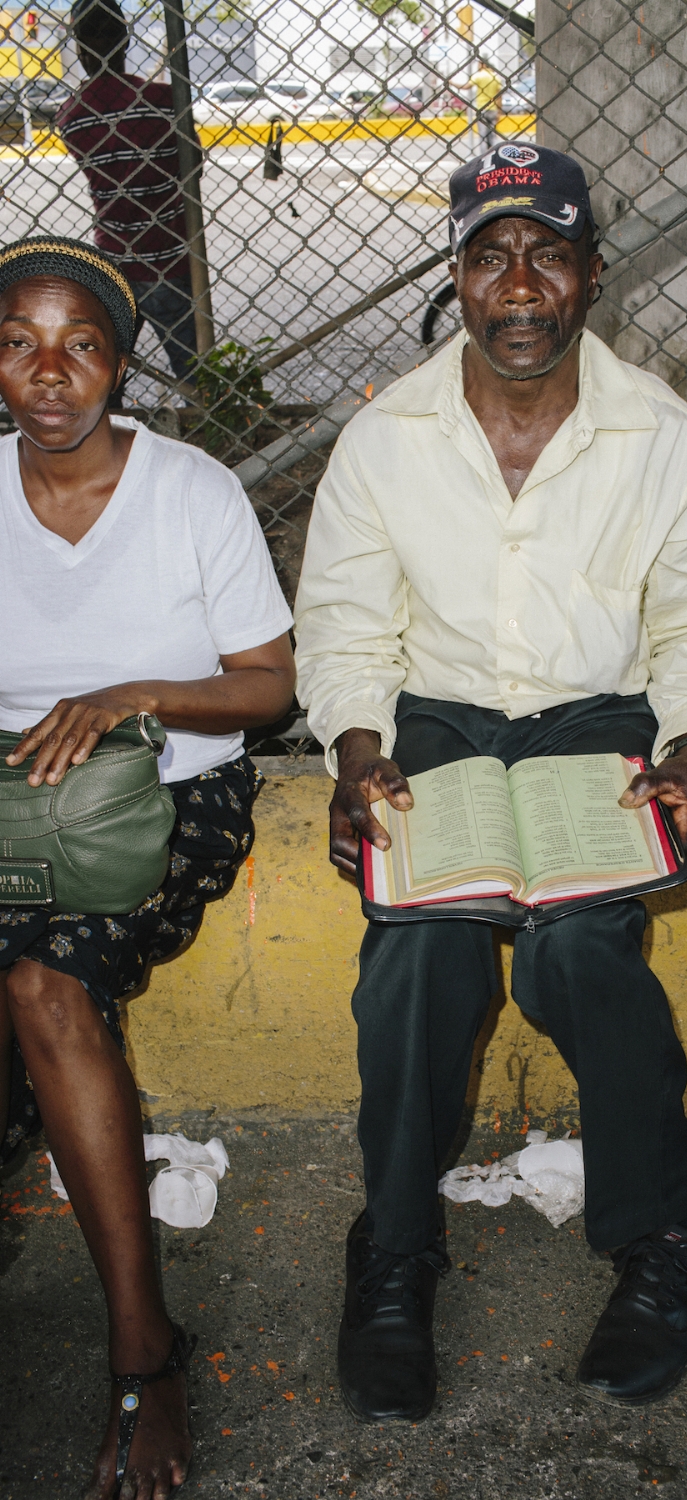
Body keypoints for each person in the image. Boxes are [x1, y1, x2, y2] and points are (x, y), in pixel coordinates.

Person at [294, 144, 687, 1423]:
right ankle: (394, 1248)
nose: (519, 286)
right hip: (437, 727)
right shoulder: (387, 437)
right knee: (419, 956)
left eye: (547, 256)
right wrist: (357, 751)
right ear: (457, 276)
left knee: (579, 950)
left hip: (597, 719)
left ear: (591, 276)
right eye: (491, 257)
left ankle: (668, 1232)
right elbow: (345, 627)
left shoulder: (657, 433)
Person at [0, 235, 294, 1495]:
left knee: (45, 985)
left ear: (120, 364)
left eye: (80, 346)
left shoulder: (190, 492)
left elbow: (268, 686)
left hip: (169, 793)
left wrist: (130, 696)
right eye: (19, 344)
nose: (48, 374)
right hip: (13, 802)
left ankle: (145, 1354)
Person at [57, 0, 197, 395]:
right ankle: (204, 421)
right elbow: (193, 166)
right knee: (193, 372)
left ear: (79, 46)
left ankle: (109, 428)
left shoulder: (72, 115)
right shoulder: (166, 100)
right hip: (169, 257)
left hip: (114, 260)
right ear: (125, 40)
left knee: (106, 377)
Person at [455, 57, 502, 147]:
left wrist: (451, 83)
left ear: (482, 64)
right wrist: (499, 111)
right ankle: (494, 151)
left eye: (478, 64)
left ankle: (484, 154)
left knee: (483, 136)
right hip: (493, 109)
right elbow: (499, 97)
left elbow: (465, 87)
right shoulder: (496, 77)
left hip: (481, 109)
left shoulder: (478, 76)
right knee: (492, 135)